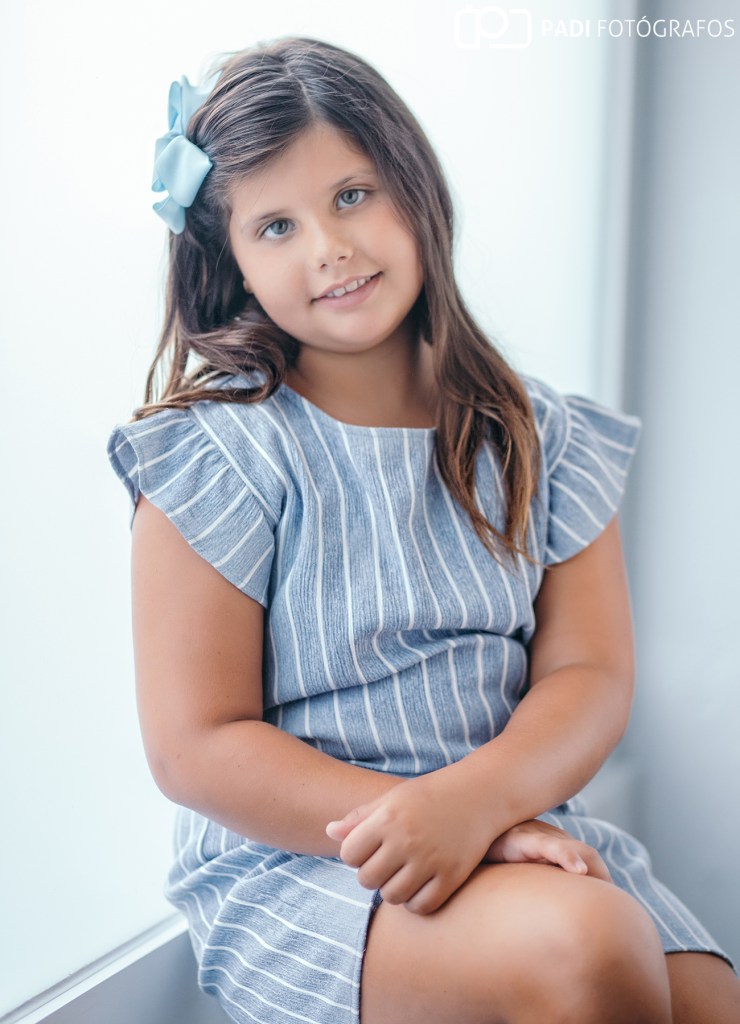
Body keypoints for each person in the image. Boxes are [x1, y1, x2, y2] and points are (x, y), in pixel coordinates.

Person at [107, 35, 739, 1024]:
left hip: (508, 811)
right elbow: (197, 745)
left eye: (352, 195)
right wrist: (435, 823)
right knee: (590, 950)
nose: (328, 246)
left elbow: (588, 677)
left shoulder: (540, 435)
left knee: (706, 995)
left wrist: (477, 807)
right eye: (276, 225)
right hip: (311, 860)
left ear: (415, 189)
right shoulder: (219, 453)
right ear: (232, 262)